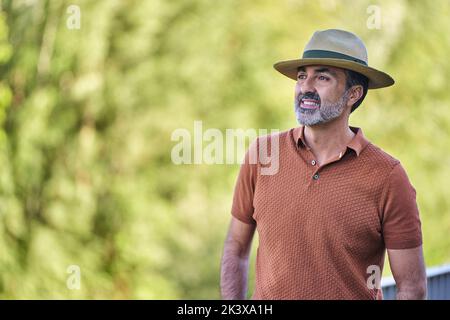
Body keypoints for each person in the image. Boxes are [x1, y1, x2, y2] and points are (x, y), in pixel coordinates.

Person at [220, 29, 427, 300]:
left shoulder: (387, 176)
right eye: (302, 76)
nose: (306, 86)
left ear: (353, 94)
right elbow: (236, 246)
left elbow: (412, 288)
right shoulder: (262, 154)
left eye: (322, 77)